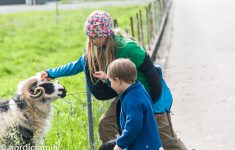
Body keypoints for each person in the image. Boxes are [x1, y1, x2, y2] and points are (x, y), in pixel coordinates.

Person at [40, 10, 186, 150]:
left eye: (93, 36)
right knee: (106, 125)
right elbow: (77, 65)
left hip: (151, 96)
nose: (90, 40)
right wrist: (51, 73)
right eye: (88, 36)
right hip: (127, 95)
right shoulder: (99, 49)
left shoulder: (128, 48)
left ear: (104, 34)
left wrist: (156, 106)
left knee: (168, 141)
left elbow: (154, 76)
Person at [94, 58, 162, 150]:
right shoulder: (138, 89)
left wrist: (120, 145)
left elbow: (133, 126)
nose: (110, 83)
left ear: (118, 81)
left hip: (143, 145)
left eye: (110, 80)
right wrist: (106, 78)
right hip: (146, 141)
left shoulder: (133, 100)